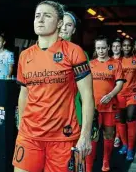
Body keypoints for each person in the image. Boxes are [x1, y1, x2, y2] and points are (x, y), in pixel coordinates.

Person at [12, 0, 97, 172]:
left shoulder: (74, 52)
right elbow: (24, 94)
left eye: (47, 15)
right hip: (29, 137)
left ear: (59, 23)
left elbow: (87, 97)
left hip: (62, 138)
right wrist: (21, 126)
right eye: (37, 16)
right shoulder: (25, 56)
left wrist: (85, 135)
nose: (40, 19)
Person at [59, 11, 98, 172]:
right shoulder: (38, 52)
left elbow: (86, 95)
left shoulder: (79, 54)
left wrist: (90, 124)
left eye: (69, 25)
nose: (64, 28)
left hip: (72, 117)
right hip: (44, 120)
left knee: (72, 163)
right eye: (63, 24)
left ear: (74, 30)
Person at [90, 35, 124, 171]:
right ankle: (89, 162)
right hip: (93, 107)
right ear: (95, 49)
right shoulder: (90, 64)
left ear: (108, 48)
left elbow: (120, 83)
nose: (101, 50)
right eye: (98, 48)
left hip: (110, 106)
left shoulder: (116, 64)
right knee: (93, 135)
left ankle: (106, 161)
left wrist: (110, 95)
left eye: (103, 47)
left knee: (108, 135)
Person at [111, 38, 123, 148]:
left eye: (118, 46)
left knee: (119, 116)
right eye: (114, 46)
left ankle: (117, 137)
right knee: (112, 117)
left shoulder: (125, 60)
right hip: (110, 92)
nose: (116, 48)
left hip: (122, 92)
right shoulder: (108, 60)